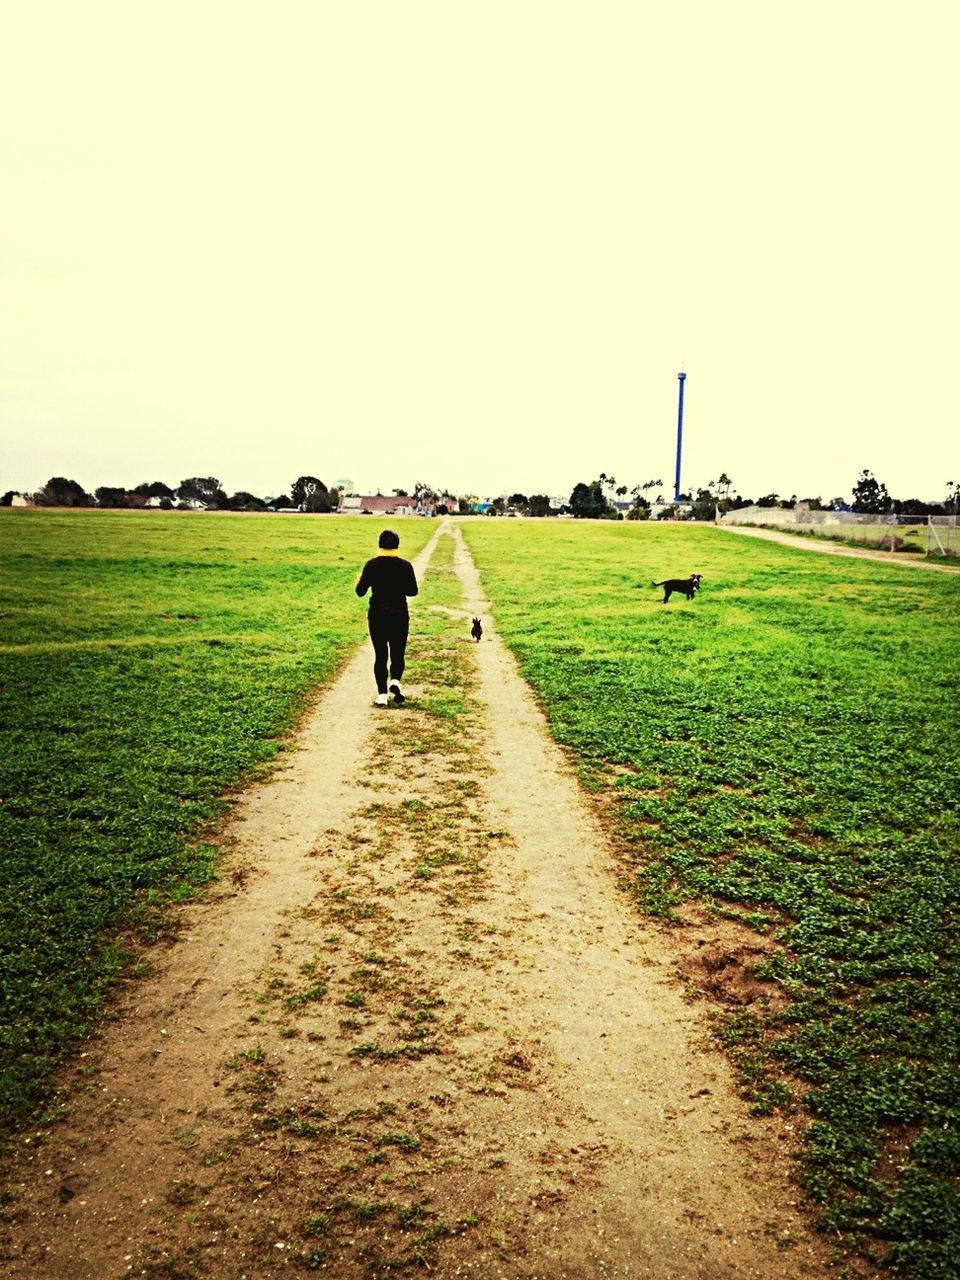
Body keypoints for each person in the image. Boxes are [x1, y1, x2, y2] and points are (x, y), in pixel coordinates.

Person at [355, 529, 419, 706]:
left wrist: (360, 579)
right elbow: (412, 591)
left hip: (377, 615)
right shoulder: (405, 566)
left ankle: (382, 694)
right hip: (399, 615)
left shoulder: (371, 565)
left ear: (379, 545)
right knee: (397, 653)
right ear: (397, 545)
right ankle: (395, 681)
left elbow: (360, 592)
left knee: (380, 655)